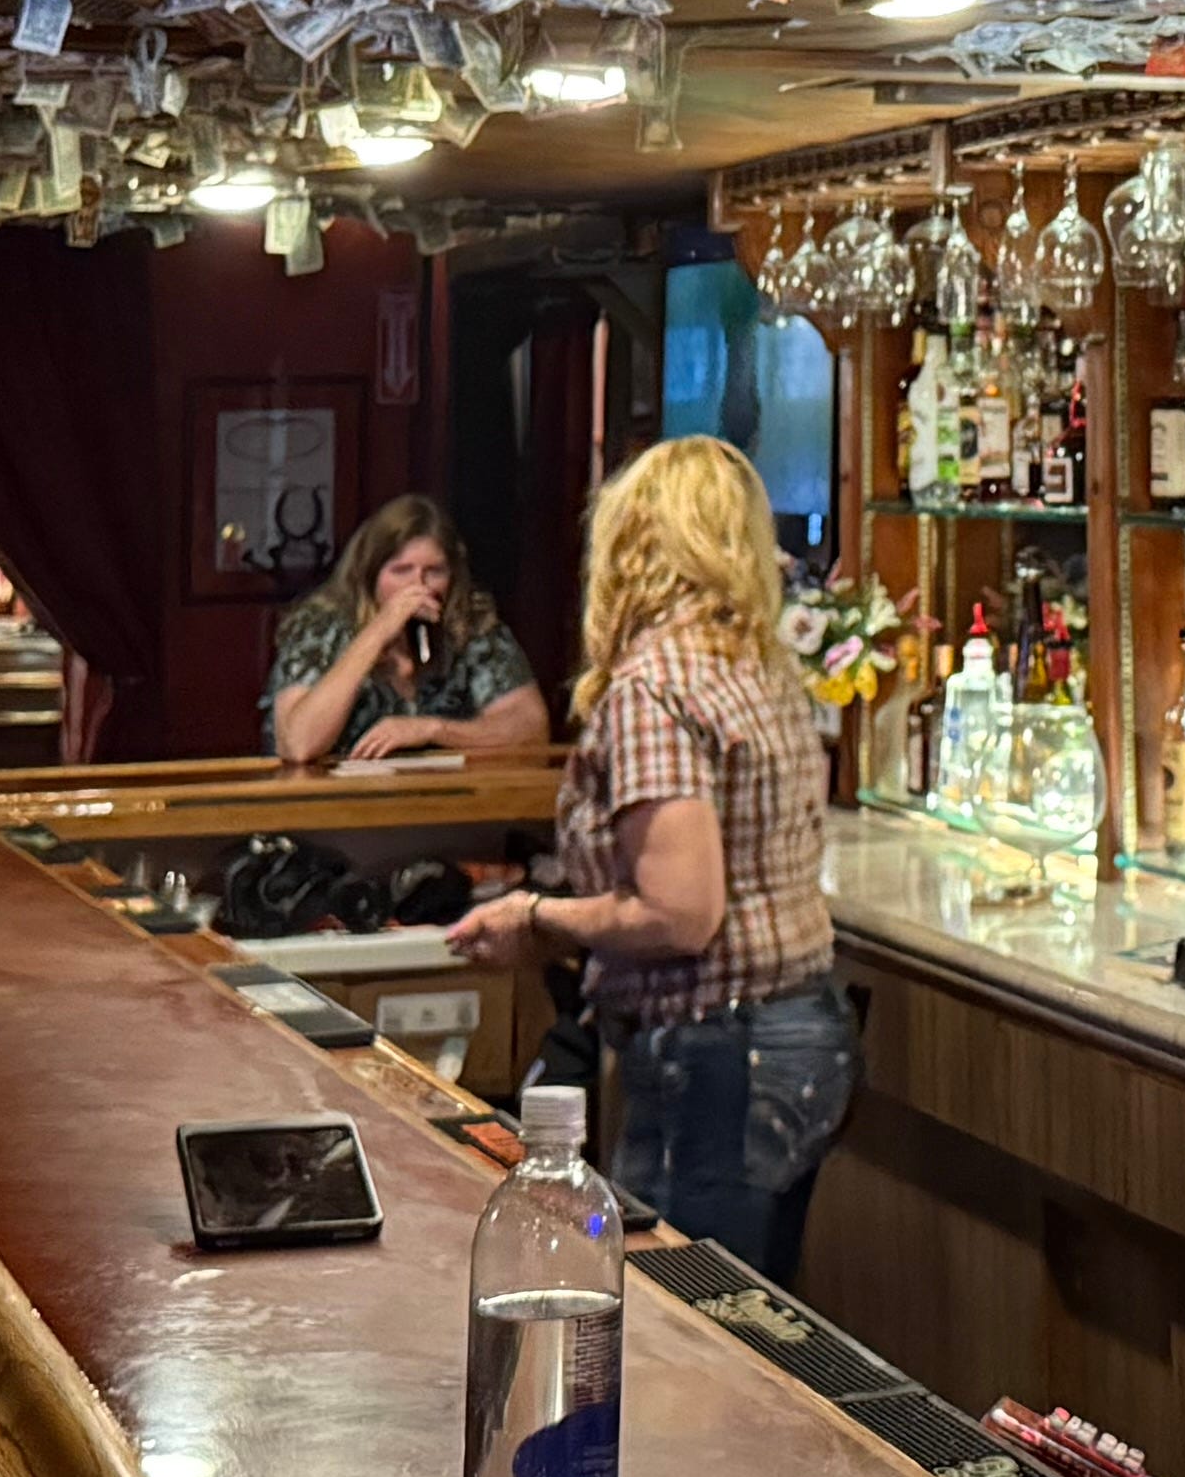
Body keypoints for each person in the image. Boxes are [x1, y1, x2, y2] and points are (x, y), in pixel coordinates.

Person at [446, 438, 854, 1270]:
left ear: (632, 545)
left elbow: (679, 914)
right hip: (799, 1031)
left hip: (718, 1053)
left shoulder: (655, 688)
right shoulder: (759, 668)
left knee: (685, 1311)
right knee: (754, 1314)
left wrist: (539, 917)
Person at [264, 498, 548, 771]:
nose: (419, 586)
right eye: (401, 571)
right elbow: (299, 745)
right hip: (337, 797)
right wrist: (377, 633)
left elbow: (531, 728)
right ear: (370, 575)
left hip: (445, 796)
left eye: (434, 571)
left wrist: (432, 729)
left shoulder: (470, 623)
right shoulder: (321, 626)